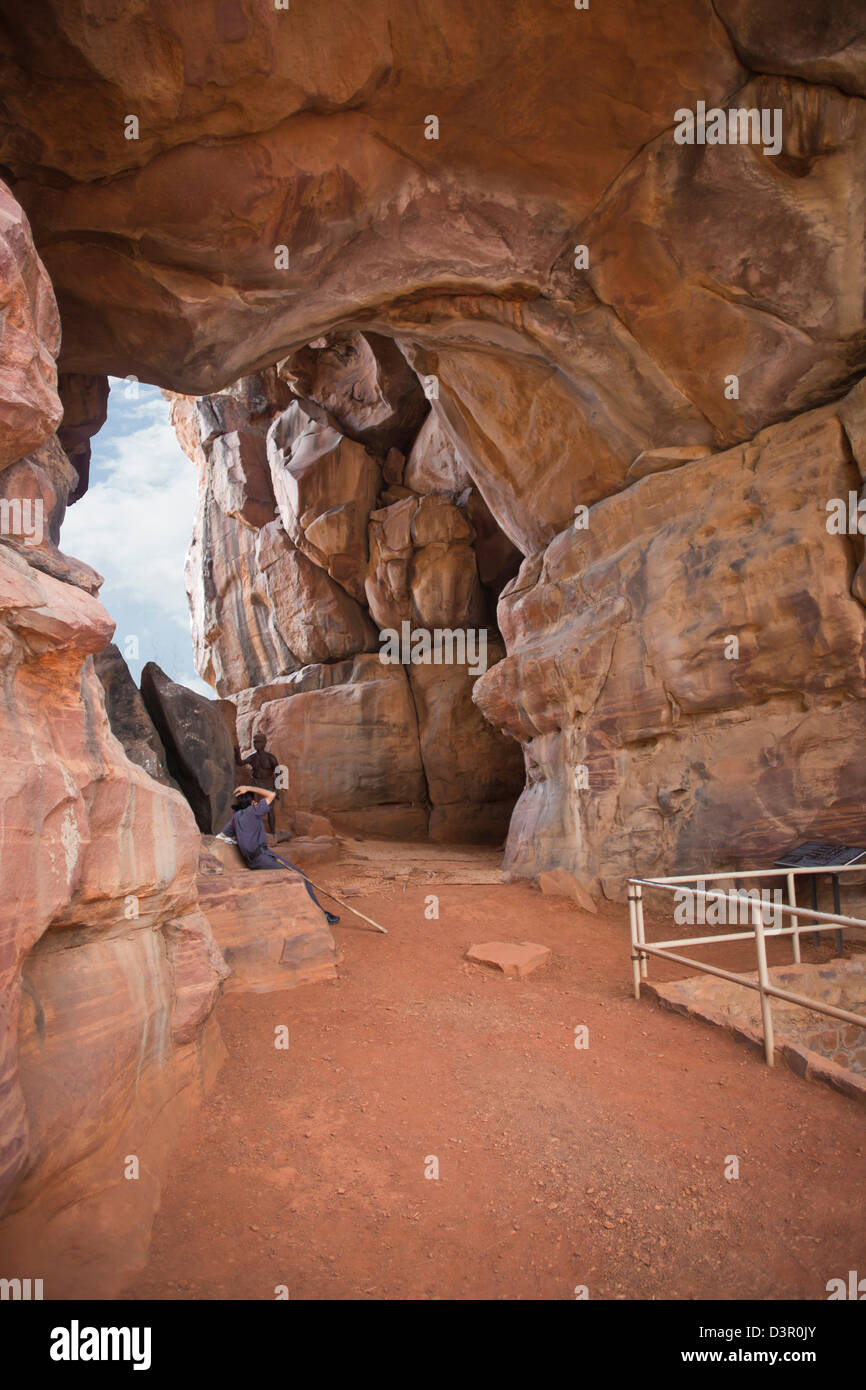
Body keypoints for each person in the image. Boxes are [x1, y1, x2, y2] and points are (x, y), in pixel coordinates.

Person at [218, 785, 339, 926]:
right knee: (301, 877)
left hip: (260, 858)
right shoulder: (253, 811)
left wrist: (237, 841)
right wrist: (248, 787)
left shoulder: (235, 818)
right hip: (262, 858)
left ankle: (317, 911)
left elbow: (220, 837)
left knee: (295, 875)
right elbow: (271, 795)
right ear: (252, 802)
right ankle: (320, 914)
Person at [235, 735, 279, 834]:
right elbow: (241, 763)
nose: (256, 744)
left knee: (270, 809)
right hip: (256, 783)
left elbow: (279, 772)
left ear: (264, 743)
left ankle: (272, 833)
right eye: (254, 742)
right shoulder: (253, 757)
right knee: (253, 807)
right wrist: (237, 752)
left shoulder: (270, 758)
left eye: (258, 742)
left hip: (268, 784)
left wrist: (277, 789)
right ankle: (253, 831)